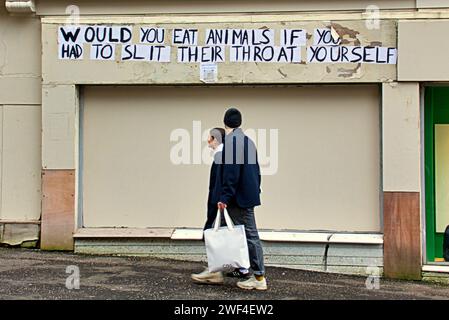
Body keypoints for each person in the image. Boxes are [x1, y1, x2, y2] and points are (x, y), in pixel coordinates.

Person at [192, 108, 266, 291]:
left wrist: (224, 197)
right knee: (225, 231)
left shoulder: (232, 142)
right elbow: (256, 169)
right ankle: (218, 270)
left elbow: (231, 173)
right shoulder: (248, 141)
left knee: (248, 236)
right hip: (246, 195)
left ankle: (258, 277)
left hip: (236, 198)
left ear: (225, 122)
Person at [191, 127, 250, 284]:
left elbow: (219, 181)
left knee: (211, 233)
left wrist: (216, 202)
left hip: (220, 202)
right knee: (232, 234)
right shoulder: (225, 153)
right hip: (227, 200)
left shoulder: (219, 155)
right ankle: (241, 268)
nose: (208, 142)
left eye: (209, 138)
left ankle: (215, 272)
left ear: (215, 139)